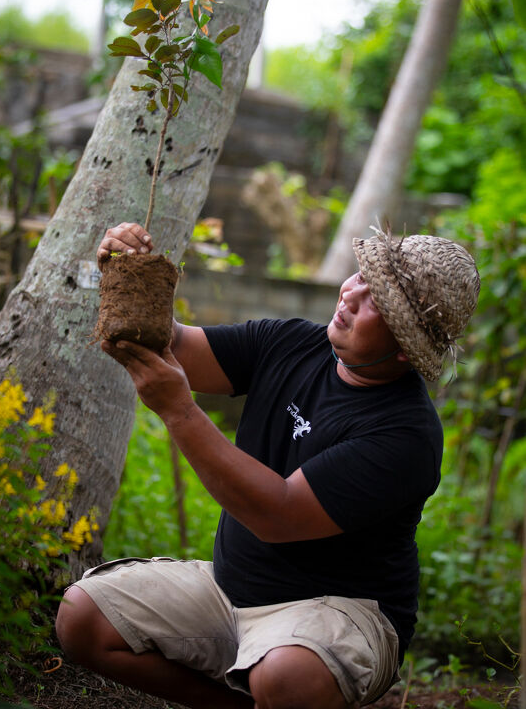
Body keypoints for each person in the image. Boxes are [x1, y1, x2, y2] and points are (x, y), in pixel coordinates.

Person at [56, 222, 480, 709]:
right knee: (82, 618)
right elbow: (171, 345)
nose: (351, 295)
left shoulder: (405, 435)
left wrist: (180, 411)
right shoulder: (292, 342)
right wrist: (124, 275)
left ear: (405, 348)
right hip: (229, 591)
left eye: (377, 302)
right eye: (363, 276)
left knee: (287, 678)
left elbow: (278, 514)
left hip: (337, 613)